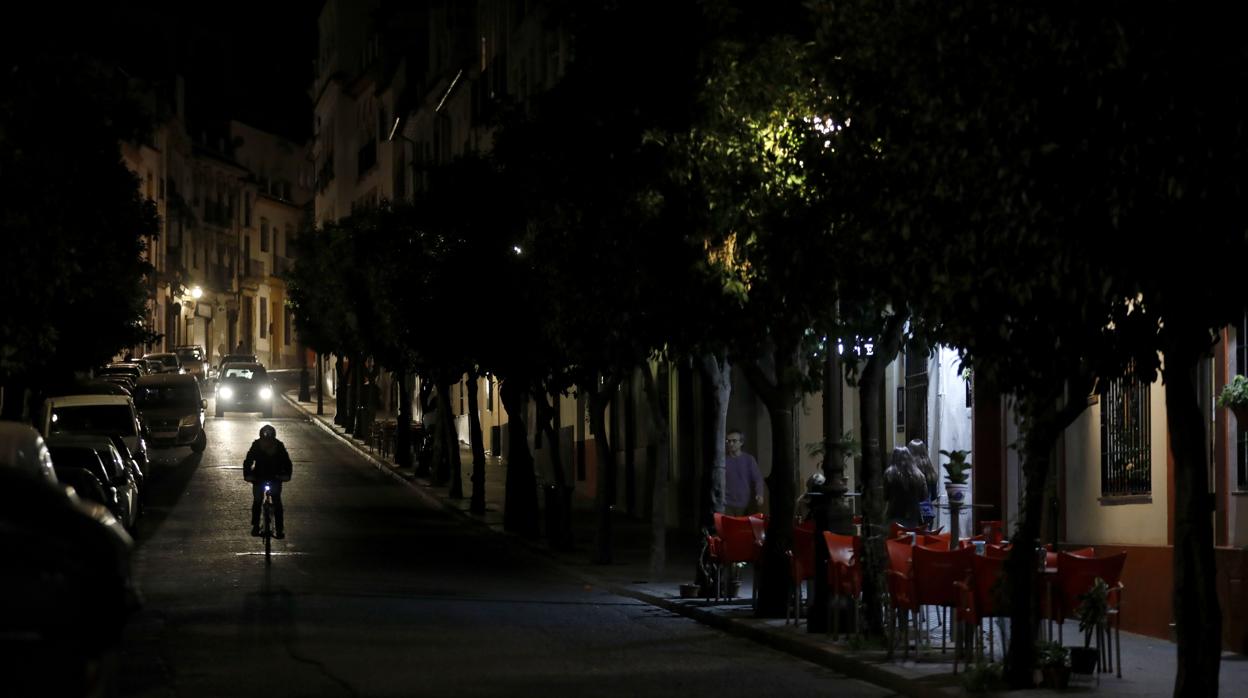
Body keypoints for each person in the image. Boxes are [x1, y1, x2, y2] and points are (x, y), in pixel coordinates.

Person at [243, 424, 293, 538]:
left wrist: (286, 475)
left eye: (270, 440)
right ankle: (255, 525)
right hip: (259, 477)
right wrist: (248, 475)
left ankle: (279, 528)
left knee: (276, 502)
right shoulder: (256, 445)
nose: (267, 443)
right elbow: (248, 461)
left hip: (275, 477)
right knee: (257, 500)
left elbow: (287, 462)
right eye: (265, 440)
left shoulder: (279, 446)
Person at [883, 445, 927, 528]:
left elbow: (885, 496)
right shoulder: (919, 474)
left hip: (894, 514)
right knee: (911, 540)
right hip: (913, 516)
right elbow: (923, 496)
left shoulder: (889, 474)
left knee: (894, 539)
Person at [724, 428, 765, 516]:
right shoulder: (723, 461)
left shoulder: (748, 460)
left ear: (741, 442)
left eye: (734, 441)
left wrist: (760, 494)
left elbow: (758, 478)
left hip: (743, 504)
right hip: (726, 503)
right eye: (728, 441)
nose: (730, 444)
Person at [907, 439, 939, 529]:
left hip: (912, 514)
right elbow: (934, 496)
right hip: (927, 513)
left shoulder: (909, 471)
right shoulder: (931, 472)